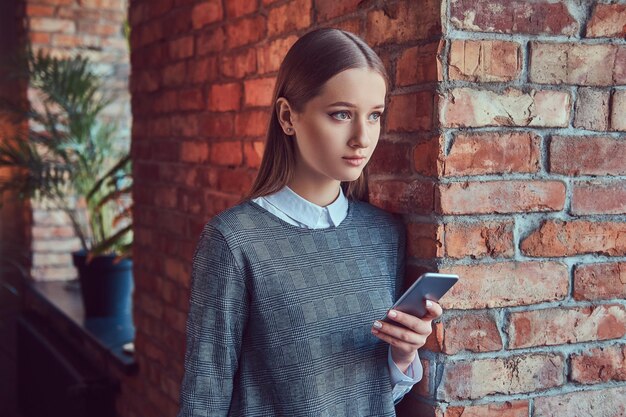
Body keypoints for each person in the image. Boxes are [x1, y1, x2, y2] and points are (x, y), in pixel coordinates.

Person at [177, 27, 443, 417]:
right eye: (341, 114)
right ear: (288, 117)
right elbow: (204, 397)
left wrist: (402, 355)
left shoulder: (384, 234)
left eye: (374, 116)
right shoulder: (234, 241)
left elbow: (369, 394)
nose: (362, 138)